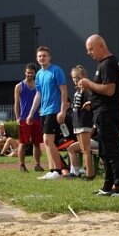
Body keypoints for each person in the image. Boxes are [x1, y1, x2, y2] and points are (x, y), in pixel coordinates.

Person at [79, 34, 119, 197]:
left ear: (101, 46)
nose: (89, 53)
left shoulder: (108, 63)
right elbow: (108, 93)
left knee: (112, 150)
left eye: (91, 49)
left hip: (107, 114)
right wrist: (93, 103)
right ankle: (108, 185)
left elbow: (109, 89)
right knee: (104, 151)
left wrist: (88, 83)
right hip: (103, 112)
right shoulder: (106, 63)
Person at [27, 46, 68, 180]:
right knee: (47, 142)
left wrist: (62, 110)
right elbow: (38, 94)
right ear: (37, 58)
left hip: (54, 110)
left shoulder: (56, 70)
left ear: (49, 57)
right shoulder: (38, 74)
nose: (42, 58)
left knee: (48, 140)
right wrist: (31, 113)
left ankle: (58, 170)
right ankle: (52, 170)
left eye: (44, 55)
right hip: (43, 111)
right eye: (39, 56)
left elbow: (63, 91)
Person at [65, 65, 95, 179]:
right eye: (73, 77)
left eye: (78, 77)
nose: (75, 79)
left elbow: (95, 100)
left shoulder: (87, 90)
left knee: (86, 150)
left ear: (84, 76)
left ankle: (89, 174)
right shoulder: (77, 91)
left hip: (84, 123)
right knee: (81, 149)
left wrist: (90, 104)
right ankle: (77, 172)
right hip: (77, 123)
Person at [14, 63, 44, 172]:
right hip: (23, 118)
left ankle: (37, 164)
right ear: (25, 72)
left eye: (31, 72)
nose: (29, 74)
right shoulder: (19, 86)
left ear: (35, 73)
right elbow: (16, 103)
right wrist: (17, 117)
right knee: (22, 142)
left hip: (37, 118)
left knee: (37, 143)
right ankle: (22, 165)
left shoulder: (38, 85)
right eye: (27, 72)